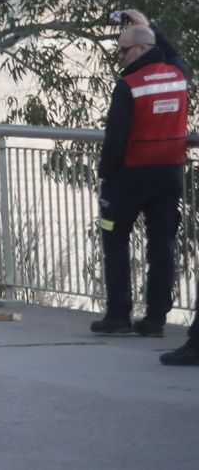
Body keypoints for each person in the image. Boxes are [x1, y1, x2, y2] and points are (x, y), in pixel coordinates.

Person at [91, 21, 187, 337]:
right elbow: (172, 51)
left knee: (114, 240)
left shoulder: (129, 84)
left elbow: (115, 138)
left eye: (124, 49)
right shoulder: (177, 75)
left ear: (142, 49)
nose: (120, 56)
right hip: (169, 175)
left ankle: (118, 314)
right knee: (162, 245)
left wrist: (105, 175)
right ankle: (156, 318)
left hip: (129, 177)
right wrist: (149, 24)